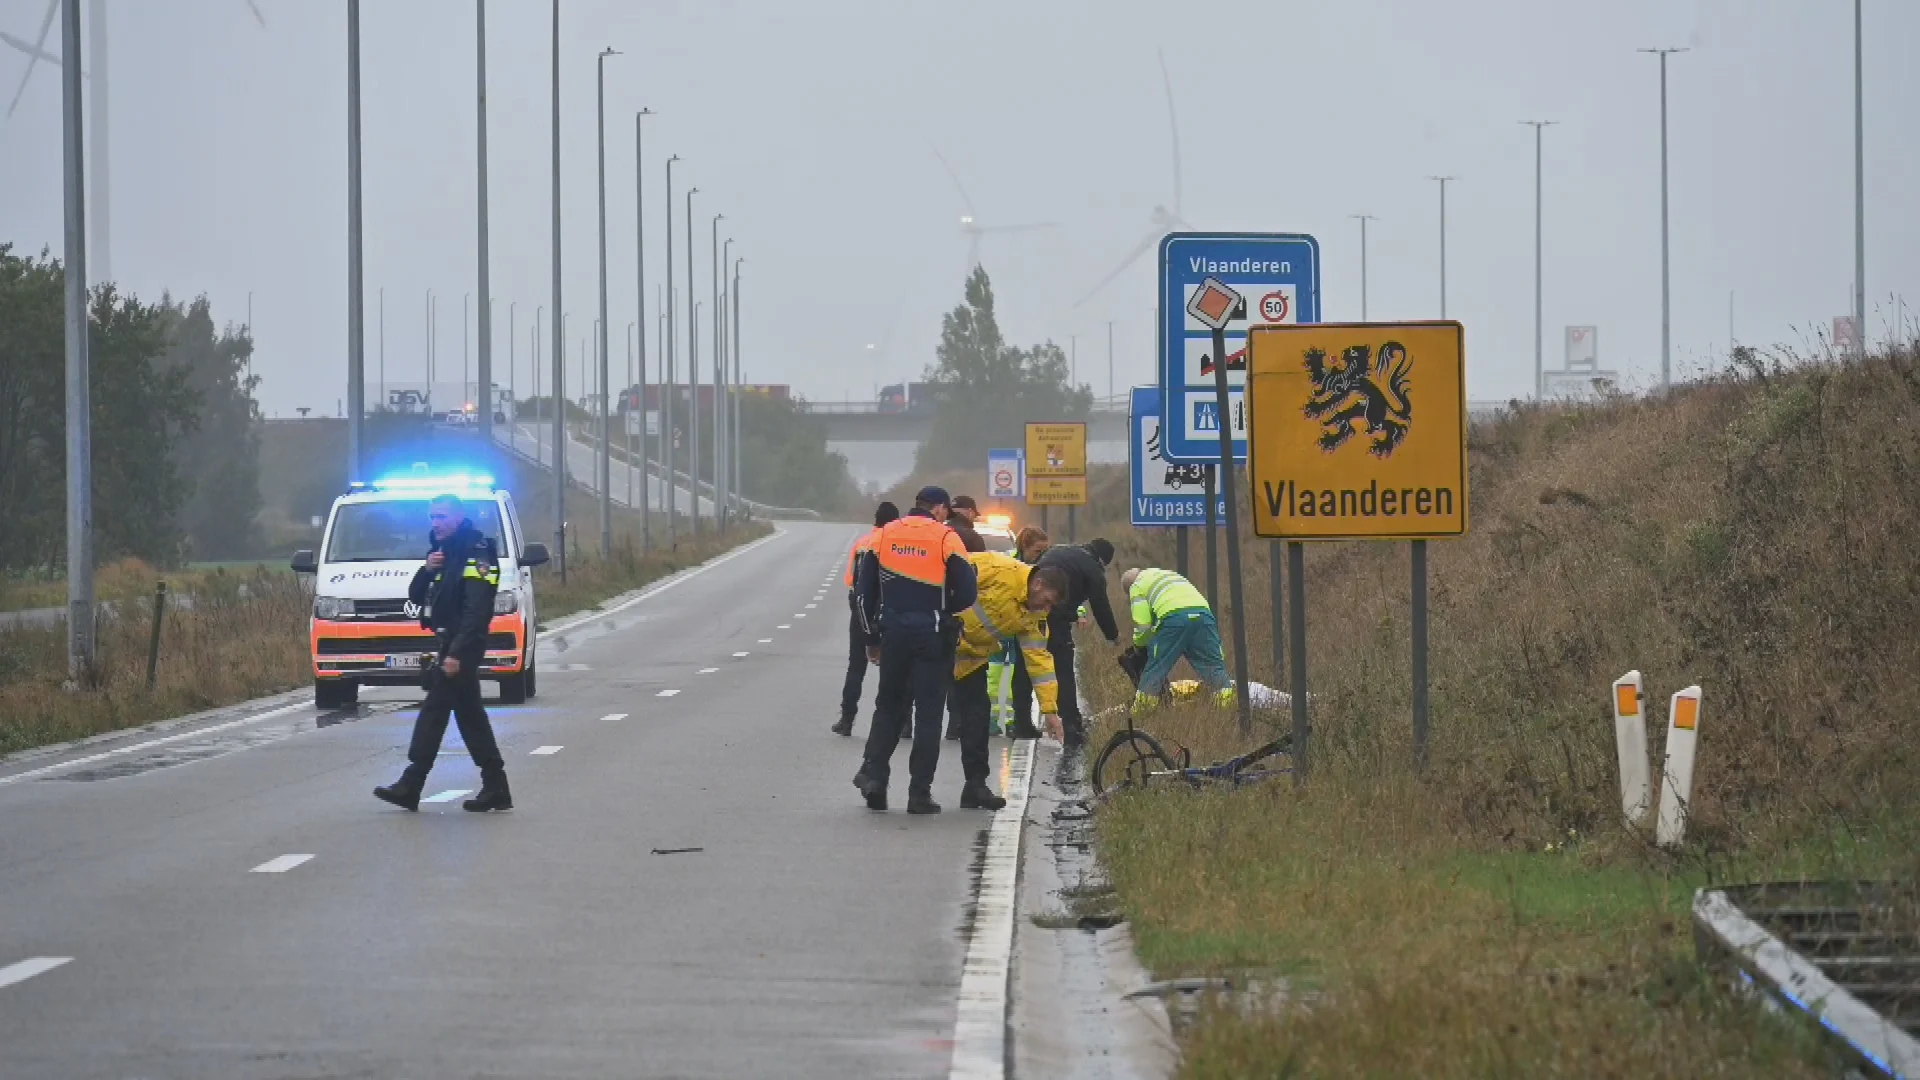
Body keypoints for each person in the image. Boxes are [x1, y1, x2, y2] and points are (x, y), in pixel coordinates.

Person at [374, 494, 513, 813]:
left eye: (442, 517)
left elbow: (476, 612)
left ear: (459, 518)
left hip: (464, 645)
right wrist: (426, 569)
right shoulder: (441, 554)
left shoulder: (477, 554)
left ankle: (412, 782)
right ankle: (496, 786)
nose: (435, 523)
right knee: (470, 716)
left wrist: (457, 654)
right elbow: (415, 596)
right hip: (448, 643)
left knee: (434, 712)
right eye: (432, 517)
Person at [853, 486, 977, 814]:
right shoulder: (947, 537)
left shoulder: (883, 535)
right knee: (929, 714)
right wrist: (941, 607)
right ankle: (919, 794)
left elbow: (863, 594)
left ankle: (875, 778)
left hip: (893, 634)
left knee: (889, 706)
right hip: (933, 636)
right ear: (937, 509)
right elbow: (967, 591)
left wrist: (871, 640)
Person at [948, 555, 1070, 804]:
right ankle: (877, 775)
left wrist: (1050, 711)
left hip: (970, 659)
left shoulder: (1034, 614)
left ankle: (975, 787)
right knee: (908, 710)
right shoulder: (996, 569)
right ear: (1037, 585)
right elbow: (949, 578)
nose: (1045, 609)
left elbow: (1039, 660)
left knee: (978, 719)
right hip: (938, 644)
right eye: (1046, 601)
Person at [1010, 537, 1119, 745]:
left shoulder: (1058, 549)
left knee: (1024, 666)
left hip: (1030, 606)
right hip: (1055, 613)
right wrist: (1112, 635)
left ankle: (1022, 723)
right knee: (1063, 668)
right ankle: (1070, 726)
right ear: (1103, 561)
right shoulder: (1093, 567)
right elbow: (1100, 603)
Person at [1121, 566, 1235, 713]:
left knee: (1155, 670)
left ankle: (1140, 717)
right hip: (1204, 616)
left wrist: (1139, 647)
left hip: (1174, 618)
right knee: (1214, 669)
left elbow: (1143, 626)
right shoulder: (1167, 575)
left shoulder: (1136, 586)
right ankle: (1227, 713)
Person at [833, 501, 899, 737]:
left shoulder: (862, 543)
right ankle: (898, 723)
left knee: (856, 666)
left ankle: (847, 719)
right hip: (891, 610)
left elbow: (851, 578)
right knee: (894, 669)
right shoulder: (898, 543)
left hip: (861, 608)